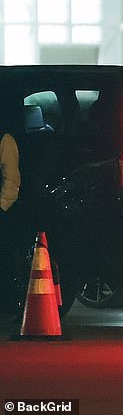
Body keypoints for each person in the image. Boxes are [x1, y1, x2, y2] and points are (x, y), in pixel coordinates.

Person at [0, 112, 21, 321]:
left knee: (3, 259)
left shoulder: (5, 140)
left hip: (3, 209)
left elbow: (11, 179)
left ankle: (7, 305)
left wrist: (2, 207)